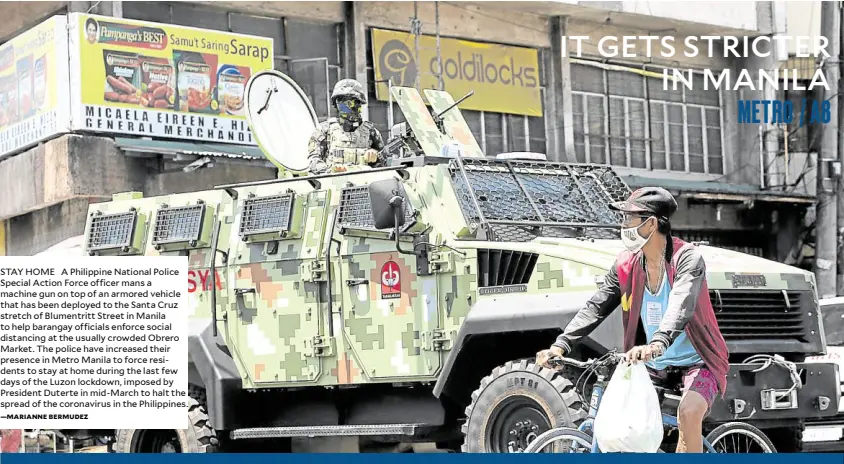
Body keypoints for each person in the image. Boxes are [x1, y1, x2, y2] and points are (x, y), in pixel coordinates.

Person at [535, 186, 729, 453]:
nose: (623, 225)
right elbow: (597, 306)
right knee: (624, 424)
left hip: (698, 361)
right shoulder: (626, 265)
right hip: (650, 362)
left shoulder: (687, 259)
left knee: (689, 412)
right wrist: (562, 344)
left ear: (651, 223)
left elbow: (681, 304)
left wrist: (658, 342)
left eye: (629, 218)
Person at [306, 79, 385, 174]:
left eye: (353, 101)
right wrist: (329, 172)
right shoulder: (325, 130)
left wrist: (375, 157)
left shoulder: (372, 132)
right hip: (333, 184)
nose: (349, 106)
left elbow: (385, 165)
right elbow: (313, 160)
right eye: (342, 101)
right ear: (336, 104)